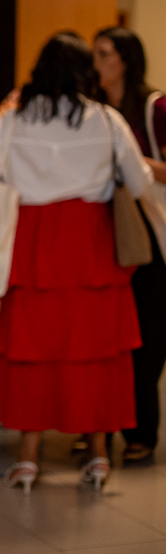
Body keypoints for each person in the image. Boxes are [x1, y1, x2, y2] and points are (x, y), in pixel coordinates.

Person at [0, 32, 152, 493]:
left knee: (34, 351)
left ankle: (29, 459)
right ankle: (97, 455)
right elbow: (140, 180)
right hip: (93, 244)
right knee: (95, 352)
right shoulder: (107, 120)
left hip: (34, 245)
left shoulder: (13, 122)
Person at [94, 26, 166, 463]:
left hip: (150, 229)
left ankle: (142, 431)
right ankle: (103, 425)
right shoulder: (97, 110)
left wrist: (131, 161)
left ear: (125, 59)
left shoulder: (155, 107)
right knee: (113, 333)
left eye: (104, 54)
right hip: (108, 230)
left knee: (151, 335)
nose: (97, 63)